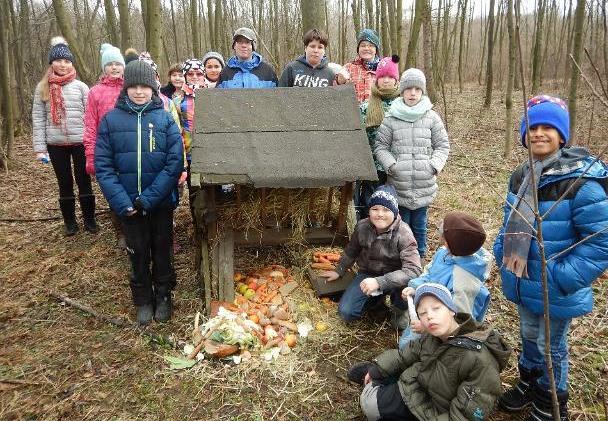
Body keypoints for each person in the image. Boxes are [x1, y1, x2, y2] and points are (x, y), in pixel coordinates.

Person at [493, 95, 608, 420]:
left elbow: (601, 241)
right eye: (533, 127)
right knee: (529, 336)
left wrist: (559, 276)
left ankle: (550, 400)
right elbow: (508, 220)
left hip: (554, 284)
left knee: (551, 345)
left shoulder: (579, 182)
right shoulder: (521, 176)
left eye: (548, 127)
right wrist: (502, 252)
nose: (539, 133)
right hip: (522, 279)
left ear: (561, 136)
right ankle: (529, 384)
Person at [95, 60, 184, 325]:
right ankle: (143, 299)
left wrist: (150, 198)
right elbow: (104, 165)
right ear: (125, 88)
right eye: (133, 86)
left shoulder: (165, 119)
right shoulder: (111, 121)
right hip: (128, 206)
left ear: (153, 88)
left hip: (159, 203)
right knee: (137, 251)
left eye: (144, 86)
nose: (139, 91)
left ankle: (164, 295)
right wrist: (123, 202)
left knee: (161, 249)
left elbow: (174, 162)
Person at [348, 283, 511, 421]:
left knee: (371, 406)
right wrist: (378, 369)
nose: (430, 317)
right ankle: (375, 377)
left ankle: (378, 382)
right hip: (417, 386)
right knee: (371, 402)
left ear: (452, 310)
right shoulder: (433, 336)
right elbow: (406, 354)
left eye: (436, 308)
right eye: (423, 313)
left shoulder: (480, 360)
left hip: (433, 411)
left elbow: (465, 414)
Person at [374, 68, 450, 258]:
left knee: (420, 226)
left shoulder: (431, 117)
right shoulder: (391, 117)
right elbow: (380, 147)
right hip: (399, 184)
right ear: (402, 91)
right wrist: (392, 165)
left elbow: (442, 145)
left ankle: (420, 259)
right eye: (408, 89)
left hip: (424, 184)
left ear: (422, 91)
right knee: (400, 225)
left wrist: (433, 166)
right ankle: (400, 260)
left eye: (417, 89)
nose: (413, 93)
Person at [320, 185, 422, 322]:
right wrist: (340, 270)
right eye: (375, 209)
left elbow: (413, 270)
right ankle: (375, 300)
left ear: (395, 212)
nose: (380, 214)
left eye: (386, 209)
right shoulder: (362, 226)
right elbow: (352, 250)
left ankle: (400, 309)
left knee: (407, 290)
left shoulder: (404, 233)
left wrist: (380, 282)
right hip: (369, 273)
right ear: (369, 211)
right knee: (346, 313)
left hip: (397, 277)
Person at [32, 36, 96, 236]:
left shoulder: (81, 87)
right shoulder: (42, 88)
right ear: (52, 63)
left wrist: (92, 143)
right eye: (59, 61)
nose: (63, 64)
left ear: (72, 64)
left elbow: (90, 117)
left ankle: (90, 220)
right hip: (55, 144)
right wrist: (40, 148)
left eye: (67, 61)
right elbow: (39, 118)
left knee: (83, 180)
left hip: (80, 142)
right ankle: (70, 222)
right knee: (64, 182)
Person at [399, 211, 491, 349]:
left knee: (411, 348)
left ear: (448, 243)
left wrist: (425, 327)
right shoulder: (445, 253)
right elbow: (430, 272)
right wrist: (416, 287)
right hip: (429, 311)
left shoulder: (462, 284)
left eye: (443, 232)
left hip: (441, 331)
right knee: (407, 343)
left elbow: (460, 322)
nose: (439, 233)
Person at [83, 43, 125, 244]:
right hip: (106, 149)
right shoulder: (95, 92)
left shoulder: (130, 88)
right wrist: (91, 156)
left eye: (118, 63)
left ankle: (134, 230)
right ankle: (121, 233)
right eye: (110, 64)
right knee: (113, 191)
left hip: (129, 147)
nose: (114, 68)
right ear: (104, 67)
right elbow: (90, 126)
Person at [356, 55, 401, 220]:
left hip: (396, 166)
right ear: (377, 79)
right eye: (382, 77)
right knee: (371, 202)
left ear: (396, 80)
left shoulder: (405, 106)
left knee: (393, 205)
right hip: (372, 167)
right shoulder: (365, 107)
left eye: (390, 77)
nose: (386, 80)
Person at [340, 29, 381, 103]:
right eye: (363, 45)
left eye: (371, 46)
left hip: (377, 112)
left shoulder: (383, 68)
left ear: (376, 50)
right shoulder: (348, 68)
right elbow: (337, 91)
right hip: (352, 112)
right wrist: (339, 80)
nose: (366, 48)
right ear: (358, 49)